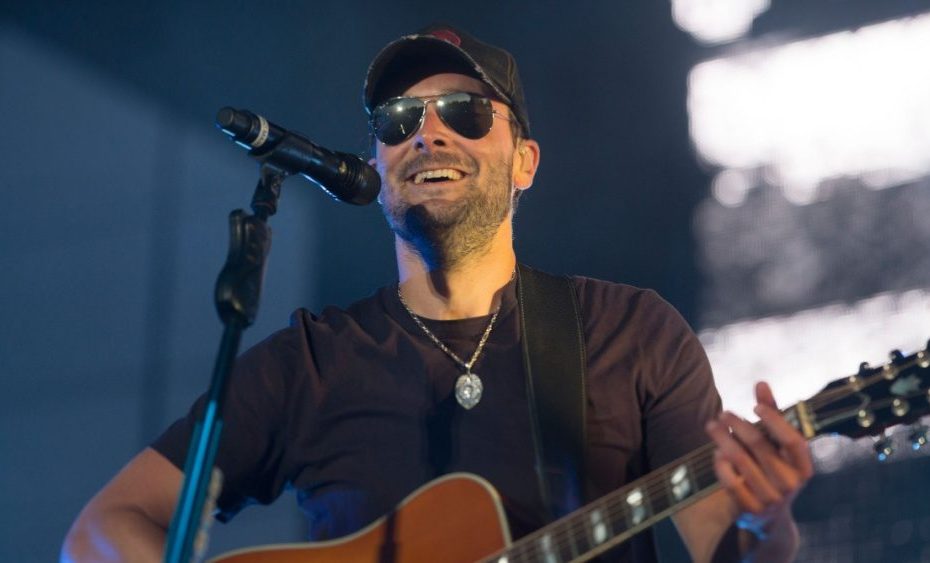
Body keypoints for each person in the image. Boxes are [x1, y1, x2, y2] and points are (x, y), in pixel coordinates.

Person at [62, 24, 813, 563]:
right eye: (398, 121)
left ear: (524, 162)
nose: (428, 135)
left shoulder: (631, 332)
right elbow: (99, 530)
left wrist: (767, 519)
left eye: (465, 112)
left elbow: (728, 545)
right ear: (376, 163)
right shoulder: (311, 364)